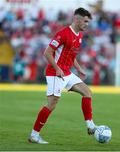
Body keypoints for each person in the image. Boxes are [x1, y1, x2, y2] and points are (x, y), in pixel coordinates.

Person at [28, 7, 97, 144]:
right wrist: (57, 68)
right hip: (55, 73)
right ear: (76, 19)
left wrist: (79, 69)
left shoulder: (79, 36)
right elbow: (47, 53)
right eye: (85, 21)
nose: (86, 24)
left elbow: (72, 56)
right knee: (52, 104)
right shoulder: (63, 34)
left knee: (87, 92)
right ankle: (34, 135)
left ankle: (90, 125)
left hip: (67, 73)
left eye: (88, 22)